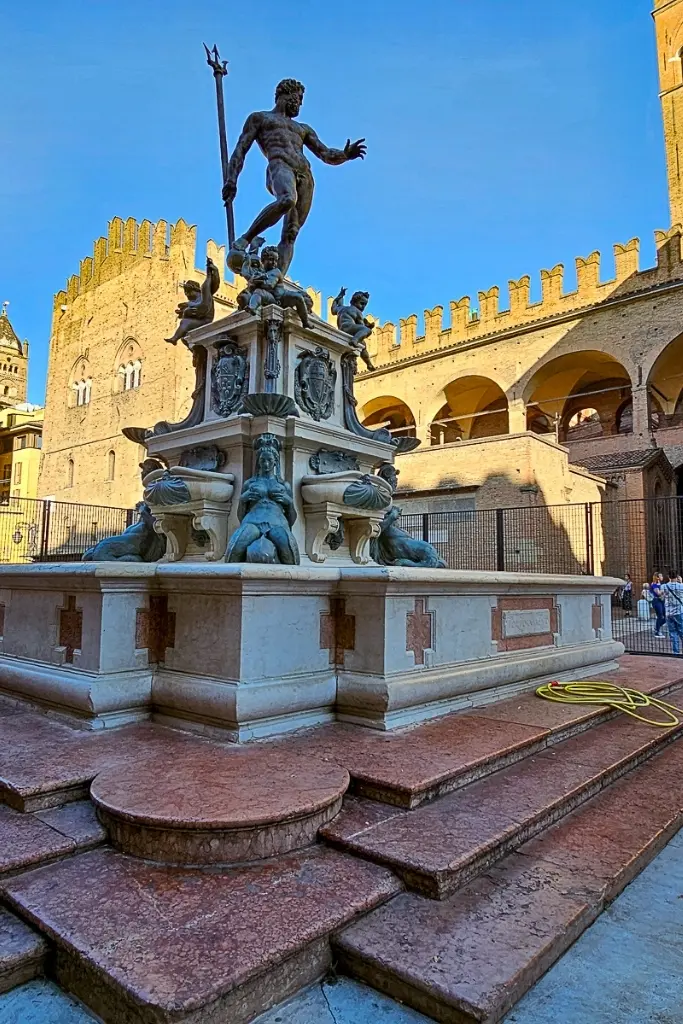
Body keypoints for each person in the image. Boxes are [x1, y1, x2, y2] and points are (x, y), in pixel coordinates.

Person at [223, 79, 366, 275]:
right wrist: (232, 180)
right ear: (286, 95)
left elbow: (325, 154)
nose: (300, 104)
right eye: (298, 99)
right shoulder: (260, 118)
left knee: (292, 231)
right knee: (287, 200)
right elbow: (241, 149)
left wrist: (345, 154)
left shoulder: (303, 129)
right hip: (280, 166)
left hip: (305, 175)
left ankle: (276, 279)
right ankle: (245, 239)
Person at [660, 570, 683, 654]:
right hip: (679, 611)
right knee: (681, 630)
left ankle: (675, 652)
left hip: (669, 612)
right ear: (677, 577)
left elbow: (660, 595)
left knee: (673, 633)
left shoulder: (664, 586)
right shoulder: (681, 586)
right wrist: (681, 582)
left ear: (668, 577)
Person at [649, 572, 666, 638]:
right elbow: (658, 593)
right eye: (661, 576)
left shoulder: (660, 584)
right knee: (660, 615)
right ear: (657, 577)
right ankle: (657, 632)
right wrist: (664, 591)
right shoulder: (654, 584)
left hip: (662, 601)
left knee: (666, 616)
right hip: (656, 601)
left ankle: (657, 627)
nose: (662, 577)